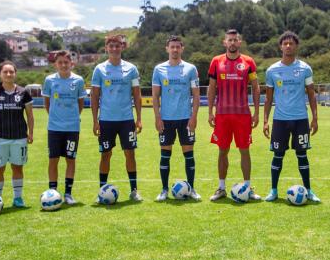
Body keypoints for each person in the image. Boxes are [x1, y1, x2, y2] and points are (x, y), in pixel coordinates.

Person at [263, 31, 320, 202]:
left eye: (291, 43)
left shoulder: (305, 68)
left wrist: (315, 118)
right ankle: (273, 191)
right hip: (280, 120)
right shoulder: (272, 70)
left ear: (296, 46)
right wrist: (265, 121)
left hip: (300, 119)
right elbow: (268, 98)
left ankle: (308, 190)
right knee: (278, 154)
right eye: (285, 43)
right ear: (280, 46)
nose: (288, 46)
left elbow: (311, 94)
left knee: (302, 154)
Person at [208, 29, 261, 201]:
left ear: (240, 42)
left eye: (235, 40)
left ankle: (247, 187)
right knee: (222, 151)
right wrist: (210, 112)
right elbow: (211, 88)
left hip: (243, 115)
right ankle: (221, 188)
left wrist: (256, 112)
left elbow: (255, 86)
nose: (232, 43)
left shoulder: (248, 62)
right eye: (229, 40)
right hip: (222, 115)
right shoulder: (216, 61)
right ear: (225, 42)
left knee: (244, 150)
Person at [91, 34, 143, 202]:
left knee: (130, 154)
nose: (114, 48)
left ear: (122, 47)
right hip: (106, 120)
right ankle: (101, 192)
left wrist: (139, 118)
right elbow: (94, 96)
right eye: (111, 46)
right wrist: (95, 120)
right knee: (105, 155)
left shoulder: (131, 69)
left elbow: (137, 95)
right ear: (106, 48)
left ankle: (134, 191)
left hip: (126, 120)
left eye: (117, 45)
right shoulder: (99, 69)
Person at [152, 35, 201, 201]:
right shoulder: (159, 69)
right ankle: (164, 190)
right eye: (171, 47)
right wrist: (158, 118)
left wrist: (193, 117)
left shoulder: (190, 69)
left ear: (182, 48)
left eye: (177, 47)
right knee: (165, 154)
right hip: (166, 119)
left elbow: (196, 95)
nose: (174, 49)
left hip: (185, 119)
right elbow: (155, 96)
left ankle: (192, 188)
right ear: (167, 49)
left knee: (189, 154)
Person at [0, 61, 34, 207]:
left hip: (19, 137)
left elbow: (30, 115)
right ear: (0, 74)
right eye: (5, 72)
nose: (8, 74)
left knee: (17, 167)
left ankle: (18, 199)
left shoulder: (24, 92)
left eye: (11, 71)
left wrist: (30, 133)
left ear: (15, 73)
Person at [42, 51, 86, 205]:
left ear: (71, 63)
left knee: (70, 159)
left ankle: (68, 194)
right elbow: (47, 104)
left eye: (66, 62)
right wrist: (55, 117)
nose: (63, 65)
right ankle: (52, 192)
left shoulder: (78, 81)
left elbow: (80, 104)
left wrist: (71, 118)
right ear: (55, 64)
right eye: (60, 62)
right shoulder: (49, 80)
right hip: (54, 128)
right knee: (53, 160)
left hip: (72, 128)